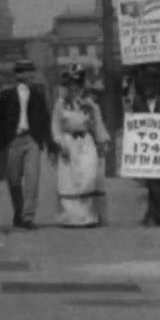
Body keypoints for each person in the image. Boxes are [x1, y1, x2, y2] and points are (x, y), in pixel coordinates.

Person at [0, 59, 57, 229]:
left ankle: (28, 216)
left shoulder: (37, 96)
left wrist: (50, 144)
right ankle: (18, 212)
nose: (29, 74)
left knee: (32, 179)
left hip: (32, 140)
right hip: (13, 140)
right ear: (18, 74)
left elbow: (44, 120)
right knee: (14, 180)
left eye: (31, 71)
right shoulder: (6, 96)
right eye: (26, 71)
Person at [51, 67, 109, 227]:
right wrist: (60, 143)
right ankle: (71, 218)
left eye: (77, 85)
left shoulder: (89, 104)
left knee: (88, 176)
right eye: (71, 85)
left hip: (86, 143)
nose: (74, 88)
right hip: (69, 143)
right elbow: (55, 126)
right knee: (70, 180)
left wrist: (101, 141)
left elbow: (97, 122)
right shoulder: (61, 104)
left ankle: (89, 216)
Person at [133, 66, 160, 228]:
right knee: (151, 180)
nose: (148, 88)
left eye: (151, 84)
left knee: (158, 181)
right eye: (145, 84)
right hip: (145, 147)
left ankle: (157, 214)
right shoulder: (138, 102)